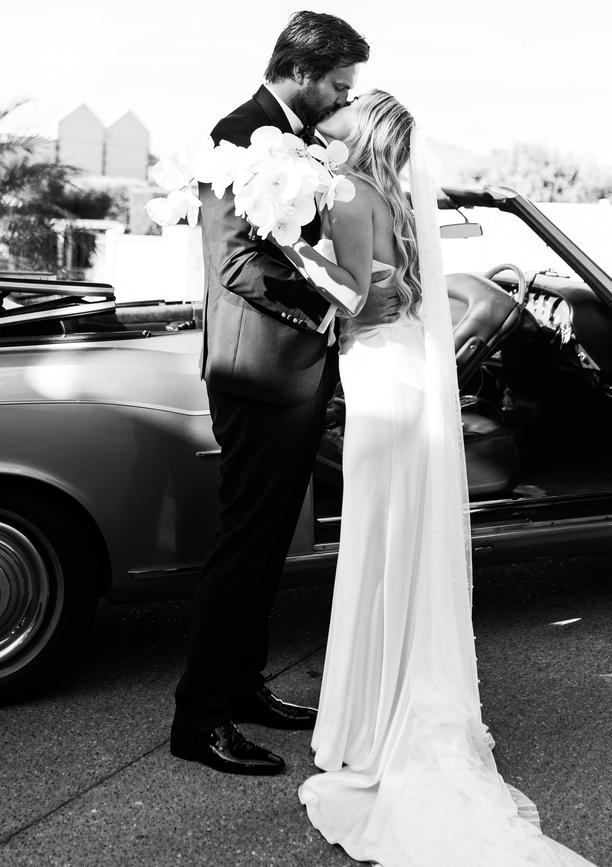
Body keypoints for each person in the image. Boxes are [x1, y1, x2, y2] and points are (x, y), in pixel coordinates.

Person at [275, 91, 596, 865]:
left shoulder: (348, 192)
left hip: (381, 385)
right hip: (408, 383)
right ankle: (388, 704)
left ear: (367, 130)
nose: (337, 108)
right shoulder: (399, 200)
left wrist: (293, 250)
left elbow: (355, 299)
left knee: (378, 551)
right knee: (402, 550)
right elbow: (405, 293)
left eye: (351, 105)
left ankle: (371, 722)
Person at [171, 12, 401, 777]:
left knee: (271, 543)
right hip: (259, 374)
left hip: (295, 374)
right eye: (338, 83)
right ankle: (198, 718)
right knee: (244, 545)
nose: (343, 99)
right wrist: (338, 301)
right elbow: (239, 264)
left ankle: (243, 687)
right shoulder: (239, 135)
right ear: (303, 71)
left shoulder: (297, 139)